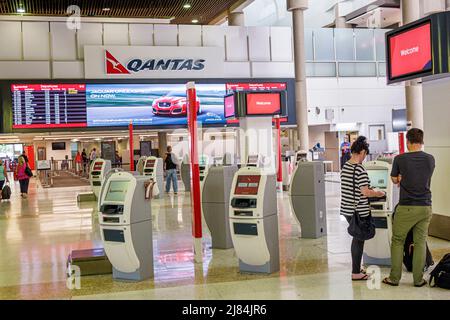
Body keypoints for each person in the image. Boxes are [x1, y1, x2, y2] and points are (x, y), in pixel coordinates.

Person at [383, 128, 435, 287]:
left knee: (398, 241)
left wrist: (400, 177)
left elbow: (394, 180)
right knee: (420, 242)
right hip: (425, 207)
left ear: (408, 141)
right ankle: (418, 280)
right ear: (422, 141)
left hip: (407, 207)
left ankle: (394, 278)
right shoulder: (430, 159)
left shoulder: (400, 159)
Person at [340, 136, 385, 281]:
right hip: (359, 211)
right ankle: (355, 273)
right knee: (359, 240)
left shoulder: (346, 166)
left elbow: (353, 187)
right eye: (365, 154)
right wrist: (379, 192)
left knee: (356, 238)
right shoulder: (360, 169)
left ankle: (356, 269)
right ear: (363, 152)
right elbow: (365, 192)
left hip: (347, 209)